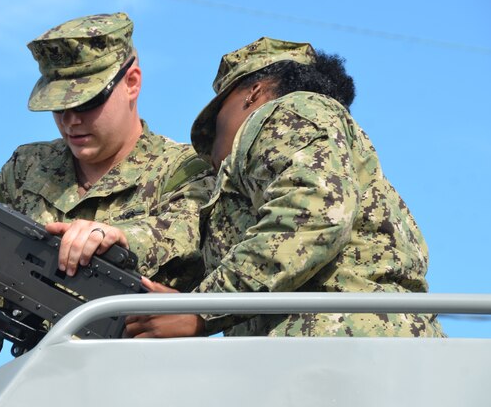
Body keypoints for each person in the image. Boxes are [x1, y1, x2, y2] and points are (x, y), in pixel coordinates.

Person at [0, 12, 214, 348]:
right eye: (58, 107)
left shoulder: (185, 169)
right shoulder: (25, 169)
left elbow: (185, 232)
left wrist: (116, 238)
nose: (71, 120)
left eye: (87, 101)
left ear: (131, 82)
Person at [125, 37, 446, 338]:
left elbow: (311, 218)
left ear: (253, 92)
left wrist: (201, 311)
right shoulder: (313, 135)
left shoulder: (287, 111)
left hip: (335, 348)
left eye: (217, 114)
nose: (211, 145)